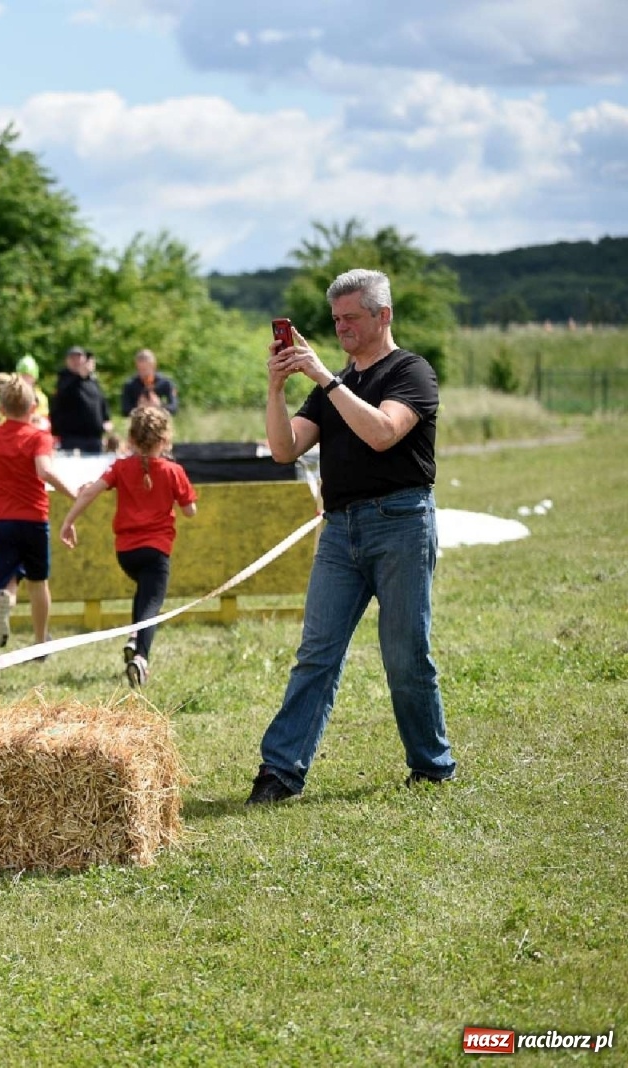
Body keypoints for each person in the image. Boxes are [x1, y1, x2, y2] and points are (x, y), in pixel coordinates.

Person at [247, 268, 456, 804]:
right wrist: (275, 389)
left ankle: (431, 766)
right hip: (340, 531)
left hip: (401, 523)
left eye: (351, 318)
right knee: (317, 652)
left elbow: (383, 432)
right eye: (336, 319)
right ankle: (280, 772)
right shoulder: (331, 385)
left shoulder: (412, 371)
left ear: (382, 315)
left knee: (405, 653)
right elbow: (284, 449)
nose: (341, 328)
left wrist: (326, 378)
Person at [59, 407, 197, 687]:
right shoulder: (174, 471)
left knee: (144, 594)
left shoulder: (120, 468)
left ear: (131, 438)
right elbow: (190, 511)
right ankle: (142, 657)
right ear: (165, 439)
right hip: (156, 551)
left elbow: (90, 492)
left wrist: (68, 522)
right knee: (152, 604)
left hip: (126, 553)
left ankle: (134, 639)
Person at [0, 373, 79, 651]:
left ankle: (6, 601)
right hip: (33, 519)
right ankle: (40, 640)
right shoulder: (38, 437)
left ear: (1, 409)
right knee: (38, 582)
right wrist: (74, 494)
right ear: (33, 408)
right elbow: (44, 470)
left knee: (8, 581)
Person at [49, 346, 113, 453]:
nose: (76, 362)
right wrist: (79, 376)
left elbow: (100, 400)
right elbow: (63, 396)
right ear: (67, 361)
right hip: (72, 439)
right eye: (72, 359)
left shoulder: (92, 380)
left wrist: (106, 418)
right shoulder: (64, 379)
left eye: (79, 358)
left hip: (94, 439)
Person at [119, 349, 179, 416]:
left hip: (161, 421)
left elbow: (174, 407)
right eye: (140, 369)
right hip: (138, 423)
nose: (143, 373)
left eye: (146, 369)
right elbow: (125, 410)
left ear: (154, 366)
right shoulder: (130, 385)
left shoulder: (166, 383)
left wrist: (159, 406)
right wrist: (139, 408)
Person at [13, 356, 52, 431]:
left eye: (28, 376)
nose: (24, 379)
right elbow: (3, 417)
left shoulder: (41, 398)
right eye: (22, 376)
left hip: (32, 433)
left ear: (34, 378)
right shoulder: (10, 395)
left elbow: (44, 420)